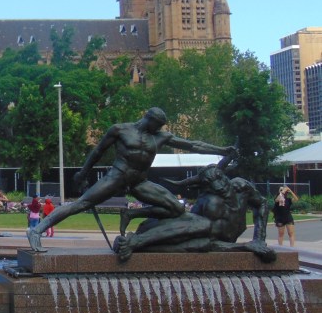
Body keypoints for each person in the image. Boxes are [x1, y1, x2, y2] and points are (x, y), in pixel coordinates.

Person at [27, 107, 236, 252]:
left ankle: (136, 218)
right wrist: (83, 173)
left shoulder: (160, 137)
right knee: (81, 204)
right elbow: (97, 151)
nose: (159, 128)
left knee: (176, 208)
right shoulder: (120, 130)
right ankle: (36, 230)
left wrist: (221, 150)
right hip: (117, 176)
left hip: (139, 182)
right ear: (148, 118)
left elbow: (193, 145)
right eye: (157, 124)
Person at [113, 161, 274, 263]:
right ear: (206, 188)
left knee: (199, 244)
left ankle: (132, 242)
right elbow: (203, 236)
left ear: (224, 175)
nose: (219, 186)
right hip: (171, 232)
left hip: (200, 241)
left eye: (219, 178)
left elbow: (262, 203)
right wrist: (246, 246)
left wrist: (259, 239)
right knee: (199, 238)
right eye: (210, 183)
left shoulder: (241, 187)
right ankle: (135, 241)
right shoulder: (209, 203)